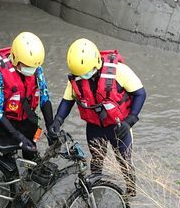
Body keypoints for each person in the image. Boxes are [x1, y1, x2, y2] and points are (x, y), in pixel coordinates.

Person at [49, 38, 146, 196]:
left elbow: (140, 93)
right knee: (96, 160)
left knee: (125, 162)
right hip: (95, 127)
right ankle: (97, 193)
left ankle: (131, 194)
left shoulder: (119, 71)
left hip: (119, 127)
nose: (83, 77)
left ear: (96, 64)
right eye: (79, 75)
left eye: (85, 73)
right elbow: (67, 100)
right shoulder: (77, 76)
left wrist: (130, 121)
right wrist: (58, 120)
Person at [0, 32, 55, 160]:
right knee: (10, 159)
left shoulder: (36, 68)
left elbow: (44, 97)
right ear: (15, 59)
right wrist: (19, 138)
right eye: (27, 66)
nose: (31, 70)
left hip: (27, 118)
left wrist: (51, 126)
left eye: (34, 67)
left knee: (32, 154)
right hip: (5, 122)